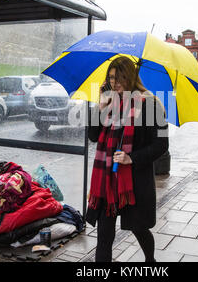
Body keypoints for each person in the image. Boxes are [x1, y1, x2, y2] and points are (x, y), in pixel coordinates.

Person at [86, 56, 169, 262]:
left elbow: (161, 145)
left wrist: (130, 158)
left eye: (120, 77)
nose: (116, 82)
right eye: (112, 78)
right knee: (104, 237)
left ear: (130, 76)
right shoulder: (109, 101)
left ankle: (150, 261)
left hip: (134, 183)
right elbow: (93, 136)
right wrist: (100, 107)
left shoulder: (149, 104)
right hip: (108, 181)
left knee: (139, 229)